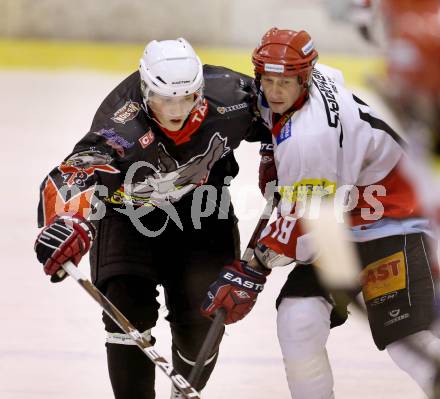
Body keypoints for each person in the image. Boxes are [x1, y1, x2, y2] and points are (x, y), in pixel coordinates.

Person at [202, 27, 440, 398]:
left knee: (406, 337)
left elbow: (309, 236)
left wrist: (252, 269)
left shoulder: (310, 140)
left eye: (285, 83)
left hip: (394, 218)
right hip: (348, 215)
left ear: (305, 77)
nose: (274, 92)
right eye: (268, 80)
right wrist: (271, 150)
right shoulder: (310, 81)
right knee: (298, 320)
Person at [34, 37, 269, 399]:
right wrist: (66, 222)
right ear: (145, 92)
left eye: (186, 98)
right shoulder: (121, 126)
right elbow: (72, 172)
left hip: (202, 213)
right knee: (126, 315)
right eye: (164, 100)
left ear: (201, 92)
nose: (176, 111)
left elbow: (291, 115)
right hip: (128, 216)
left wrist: (284, 156)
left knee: (203, 325)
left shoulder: (234, 98)